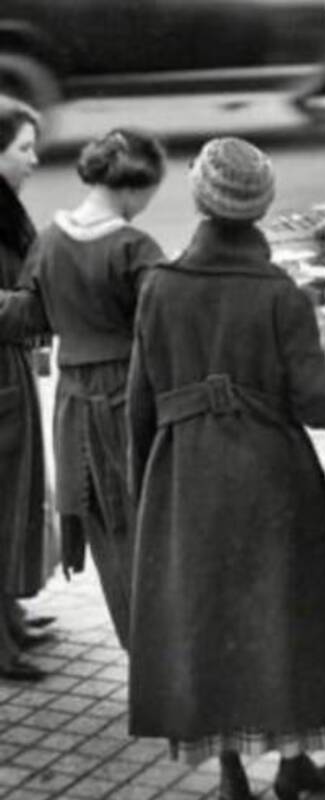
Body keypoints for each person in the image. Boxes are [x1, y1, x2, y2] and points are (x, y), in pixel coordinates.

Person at [126, 137, 325, 800]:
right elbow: (321, 406)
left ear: (201, 201)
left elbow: (139, 405)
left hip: (186, 478)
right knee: (286, 618)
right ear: (260, 210)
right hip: (273, 477)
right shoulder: (281, 296)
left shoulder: (160, 288)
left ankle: (232, 777)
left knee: (212, 625)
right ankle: (295, 761)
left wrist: (149, 488)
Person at [0, 128, 166, 651]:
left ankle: (136, 642)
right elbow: (165, 329)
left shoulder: (49, 238)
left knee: (102, 525)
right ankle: (160, 651)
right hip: (126, 394)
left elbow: (28, 316)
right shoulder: (134, 247)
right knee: (147, 521)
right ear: (134, 188)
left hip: (72, 402)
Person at [0, 94, 50, 682]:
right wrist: (41, 307)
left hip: (9, 375)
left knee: (13, 500)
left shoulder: (6, 206)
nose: (35, 159)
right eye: (23, 148)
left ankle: (9, 615)